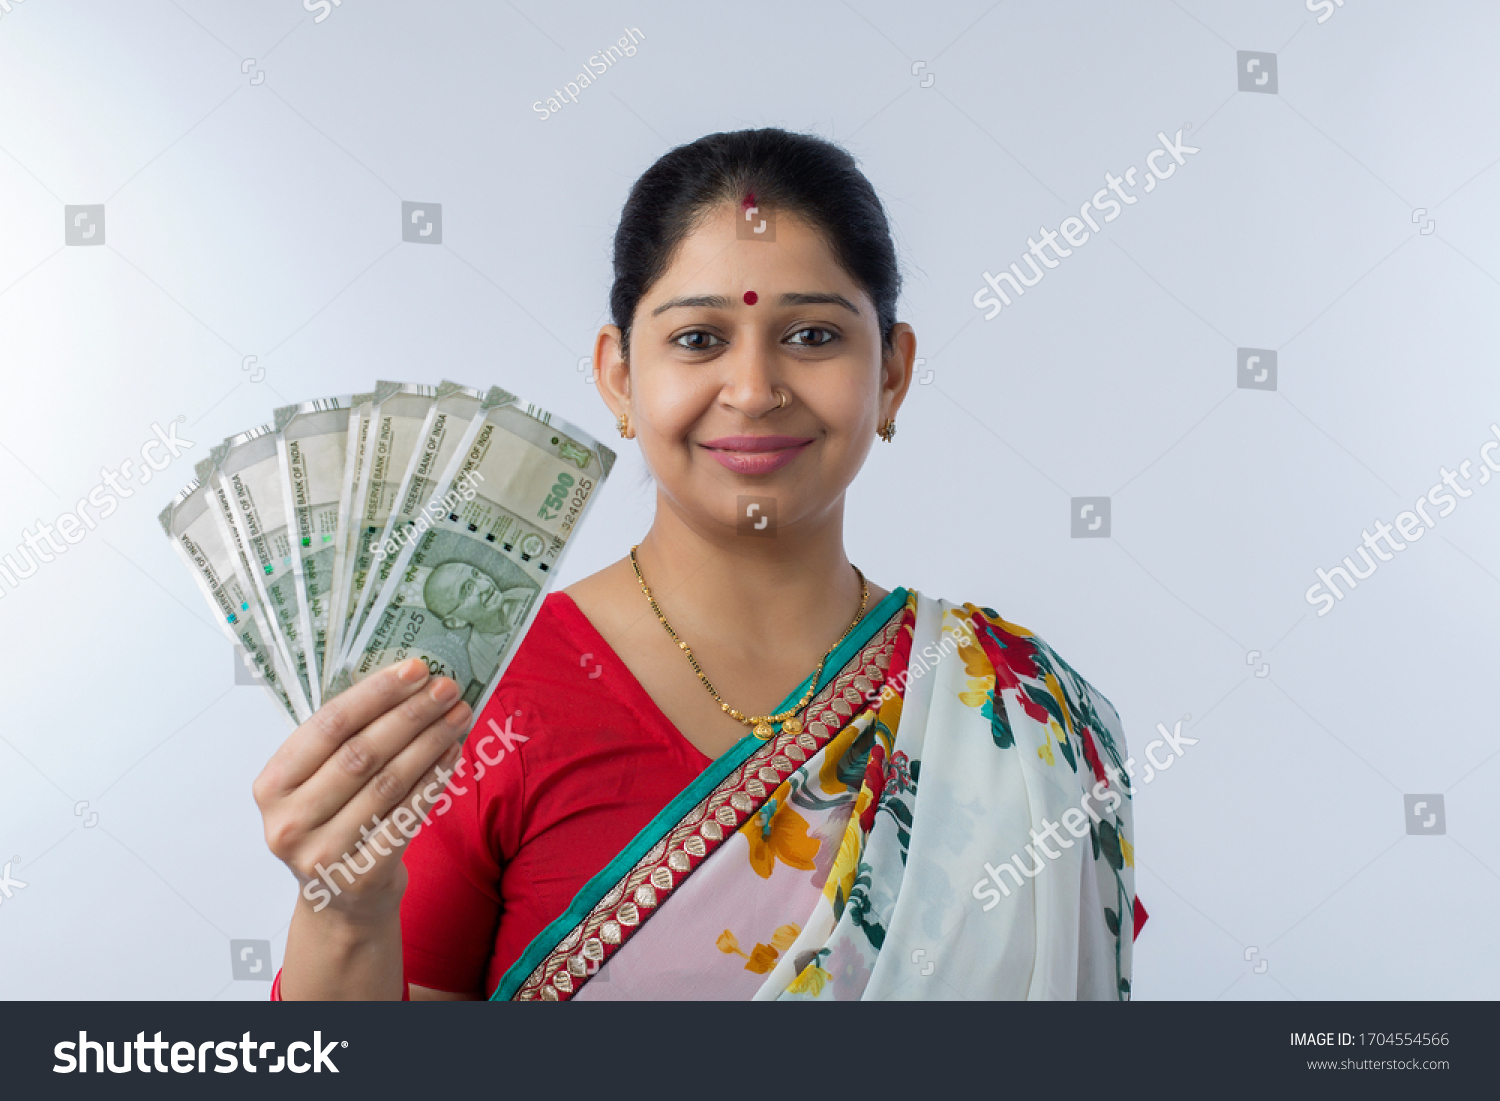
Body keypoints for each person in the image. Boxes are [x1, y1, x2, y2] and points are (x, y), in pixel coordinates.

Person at [255, 127, 1145, 1002]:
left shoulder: (1016, 712)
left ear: (892, 373)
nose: (754, 390)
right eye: (697, 340)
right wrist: (343, 910)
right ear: (617, 377)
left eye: (813, 336)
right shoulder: (473, 700)